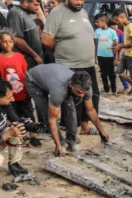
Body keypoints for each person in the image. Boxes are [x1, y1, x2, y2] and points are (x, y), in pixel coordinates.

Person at [43, 0, 101, 136]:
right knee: (73, 100)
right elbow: (46, 40)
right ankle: (71, 131)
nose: (80, 2)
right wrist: (61, 53)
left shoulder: (84, 12)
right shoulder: (57, 13)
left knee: (91, 97)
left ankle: (85, 127)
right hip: (69, 65)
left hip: (88, 64)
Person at [25, 64, 110, 156]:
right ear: (70, 85)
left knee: (71, 111)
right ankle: (62, 144)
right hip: (34, 81)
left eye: (84, 93)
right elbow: (52, 119)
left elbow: (90, 110)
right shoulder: (60, 90)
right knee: (47, 114)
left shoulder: (85, 87)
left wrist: (102, 131)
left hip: (52, 79)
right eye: (79, 92)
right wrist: (57, 144)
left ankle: (71, 142)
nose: (81, 96)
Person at [0, 31, 39, 149]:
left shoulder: (20, 57)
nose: (8, 44)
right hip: (8, 96)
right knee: (13, 116)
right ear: (0, 43)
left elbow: (24, 74)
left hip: (23, 92)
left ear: (13, 42)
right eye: (4, 42)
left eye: (10, 41)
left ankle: (33, 136)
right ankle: (17, 137)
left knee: (28, 113)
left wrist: (29, 88)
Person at [112, 9, 132, 101]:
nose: (116, 23)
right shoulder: (125, 26)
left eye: (117, 20)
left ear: (122, 17)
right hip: (127, 53)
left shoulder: (130, 27)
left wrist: (120, 45)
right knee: (119, 71)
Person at [7, 0, 44, 69]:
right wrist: (35, 55)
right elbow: (17, 39)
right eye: (35, 5)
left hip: (34, 60)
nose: (38, 8)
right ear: (26, 2)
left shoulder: (25, 13)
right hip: (28, 61)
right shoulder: (16, 13)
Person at [94, 14, 118, 96]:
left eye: (98, 22)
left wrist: (116, 57)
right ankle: (106, 89)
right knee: (103, 74)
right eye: (96, 22)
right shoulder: (97, 32)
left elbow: (116, 45)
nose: (97, 24)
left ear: (104, 21)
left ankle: (114, 90)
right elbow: (96, 45)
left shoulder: (112, 32)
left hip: (110, 56)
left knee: (112, 74)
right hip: (101, 56)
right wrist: (95, 57)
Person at [109, 19, 128, 91]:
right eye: (113, 25)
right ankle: (112, 86)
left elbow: (123, 44)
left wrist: (120, 54)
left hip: (120, 53)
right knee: (110, 72)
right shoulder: (109, 33)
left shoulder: (120, 32)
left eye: (116, 25)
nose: (115, 27)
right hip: (111, 54)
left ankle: (126, 86)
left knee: (120, 71)